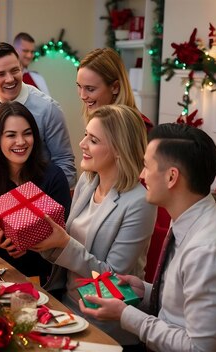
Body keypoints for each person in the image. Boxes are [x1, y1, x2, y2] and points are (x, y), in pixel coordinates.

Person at [79, 123, 216, 352]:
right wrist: (145, 292)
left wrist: (125, 315)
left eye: (146, 167)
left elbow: (199, 349)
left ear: (172, 177)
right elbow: (184, 303)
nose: (141, 175)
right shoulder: (190, 217)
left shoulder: (209, 249)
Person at [32, 105, 156, 349]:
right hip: (66, 305)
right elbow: (66, 247)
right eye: (86, 135)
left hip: (105, 323)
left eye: (94, 140)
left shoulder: (140, 202)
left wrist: (64, 243)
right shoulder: (88, 181)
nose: (82, 144)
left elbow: (113, 279)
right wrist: (40, 240)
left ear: (120, 150)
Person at [0, 101, 71, 286]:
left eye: (27, 133)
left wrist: (30, 245)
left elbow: (63, 234)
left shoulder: (53, 177)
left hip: (45, 281)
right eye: (11, 135)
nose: (21, 142)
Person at [0, 42, 76, 187]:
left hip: (44, 198)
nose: (10, 79)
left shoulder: (48, 108)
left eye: (15, 70)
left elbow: (65, 163)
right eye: (0, 74)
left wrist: (43, 201)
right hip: (2, 197)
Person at [76, 48, 153, 131]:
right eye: (79, 86)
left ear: (115, 87)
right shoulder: (97, 120)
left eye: (90, 89)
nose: (82, 96)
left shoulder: (140, 128)